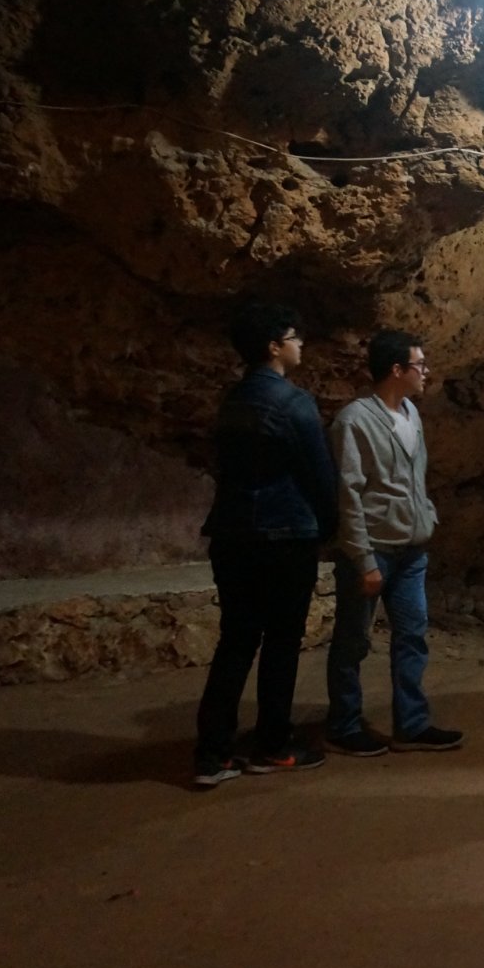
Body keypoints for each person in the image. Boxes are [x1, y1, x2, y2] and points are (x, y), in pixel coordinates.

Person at [192, 302, 338, 787]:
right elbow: (318, 474)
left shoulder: (232, 400)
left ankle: (212, 754)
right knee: (281, 643)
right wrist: (331, 526)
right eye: (294, 337)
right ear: (274, 347)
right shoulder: (293, 403)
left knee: (235, 641)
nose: (301, 344)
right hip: (283, 536)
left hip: (232, 535)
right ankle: (272, 745)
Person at [323, 330, 464, 755]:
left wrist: (426, 515)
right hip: (374, 550)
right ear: (397, 370)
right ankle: (344, 725)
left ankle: (412, 724)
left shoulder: (411, 413)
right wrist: (363, 558)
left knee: (412, 636)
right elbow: (348, 494)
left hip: (411, 550)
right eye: (420, 364)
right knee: (353, 641)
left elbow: (412, 477)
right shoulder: (354, 421)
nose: (426, 371)